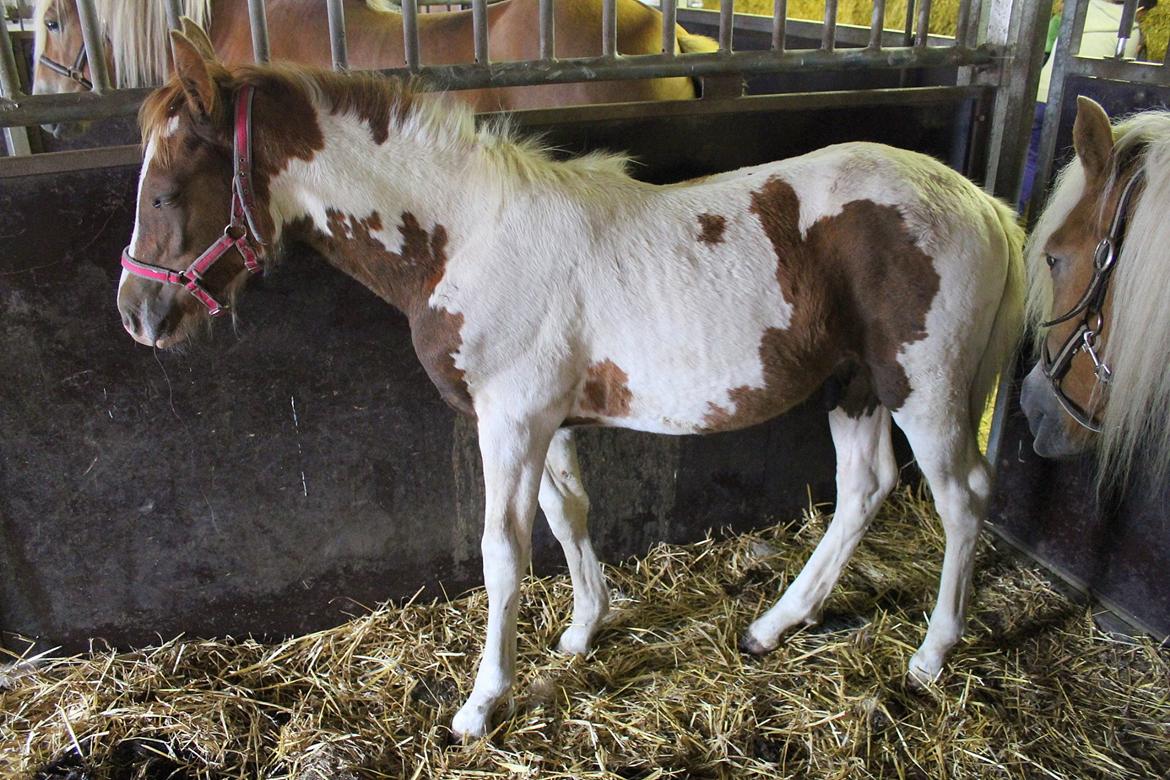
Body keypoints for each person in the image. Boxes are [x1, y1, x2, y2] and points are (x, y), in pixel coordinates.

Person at [1020, 0, 1154, 212]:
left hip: (1043, 94)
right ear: (1138, 8)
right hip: (1075, 105)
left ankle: (1016, 211)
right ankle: (1051, 215)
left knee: (1031, 160)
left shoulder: (1081, 10)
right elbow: (1121, 78)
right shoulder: (1130, 31)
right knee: (1071, 168)